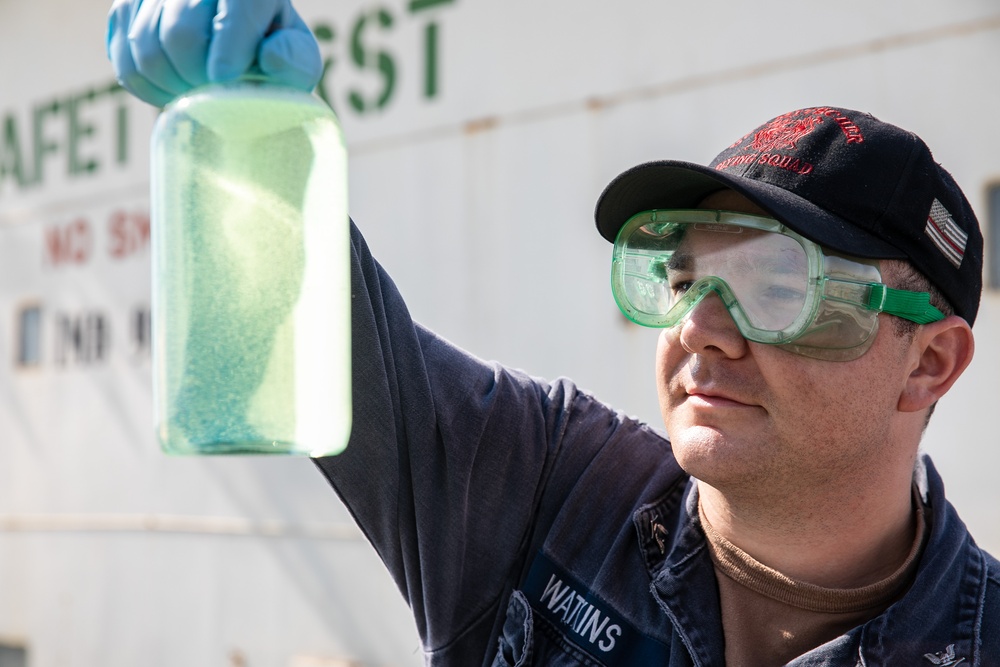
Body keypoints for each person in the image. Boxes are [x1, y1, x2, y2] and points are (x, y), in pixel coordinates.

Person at [108, 1, 1000, 664]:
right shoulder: (546, 491)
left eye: (778, 286)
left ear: (928, 361)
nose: (698, 326)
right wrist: (257, 154)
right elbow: (332, 330)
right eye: (685, 277)